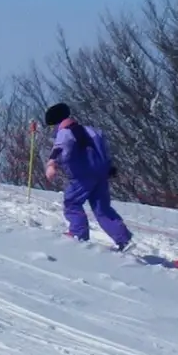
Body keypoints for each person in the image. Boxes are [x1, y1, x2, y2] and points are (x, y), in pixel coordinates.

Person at [43, 103, 132, 250]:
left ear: (56, 122)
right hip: (100, 173)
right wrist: (109, 166)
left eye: (51, 126)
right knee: (102, 208)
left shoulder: (65, 133)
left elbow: (60, 148)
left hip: (82, 175)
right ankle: (124, 239)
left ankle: (78, 234)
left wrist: (52, 164)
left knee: (72, 202)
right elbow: (104, 150)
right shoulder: (92, 131)